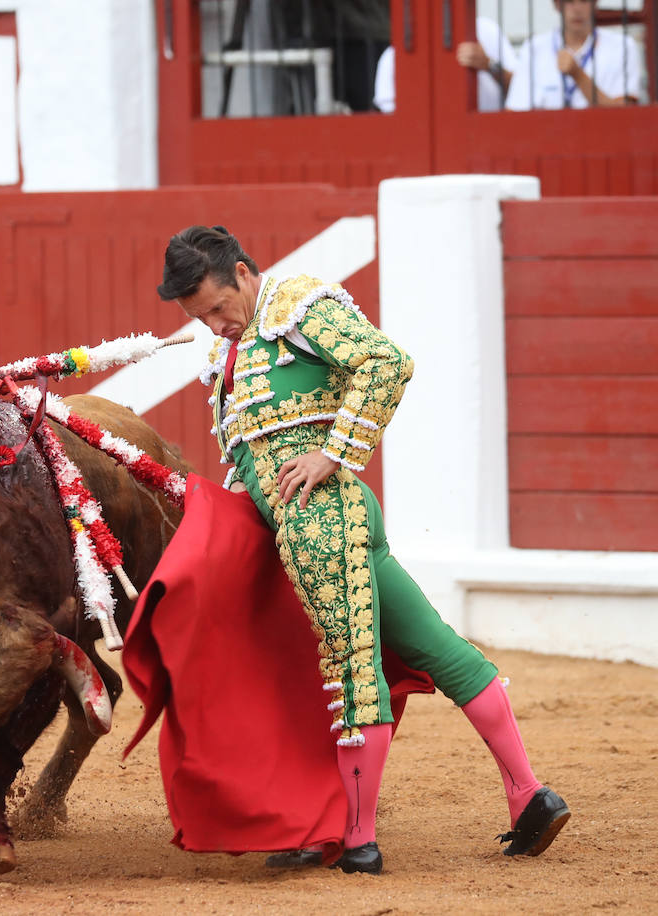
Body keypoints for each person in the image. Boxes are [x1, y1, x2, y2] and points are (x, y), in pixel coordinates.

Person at [152, 225, 569, 874]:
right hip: (314, 526)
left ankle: (356, 839)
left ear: (241, 273)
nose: (214, 326)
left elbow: (386, 361)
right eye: (198, 317)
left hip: (322, 520)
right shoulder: (235, 351)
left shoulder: (297, 307)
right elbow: (250, 461)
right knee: (438, 648)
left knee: (353, 675)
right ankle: (529, 795)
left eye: (215, 307)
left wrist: (333, 451)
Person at [505, 0, 645, 110]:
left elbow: (626, 114)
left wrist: (577, 74)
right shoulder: (533, 49)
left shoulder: (622, 47)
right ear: (557, 4)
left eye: (584, 0)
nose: (577, 9)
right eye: (569, 1)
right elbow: (515, 111)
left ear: (595, 3)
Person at [374, 16, 518, 113]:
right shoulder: (396, 54)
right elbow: (391, 119)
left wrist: (489, 65)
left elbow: (521, 91)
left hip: (487, 139)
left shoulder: (487, 30)